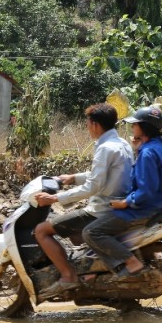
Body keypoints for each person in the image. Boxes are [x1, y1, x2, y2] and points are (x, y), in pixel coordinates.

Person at [35, 102, 133, 299]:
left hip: (102, 209)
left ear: (95, 124)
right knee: (75, 235)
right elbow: (103, 174)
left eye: (88, 124)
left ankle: (68, 276)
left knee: (42, 230)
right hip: (117, 204)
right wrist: (73, 177)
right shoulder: (121, 144)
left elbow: (93, 187)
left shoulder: (105, 148)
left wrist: (55, 198)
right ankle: (88, 274)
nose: (87, 128)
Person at [83, 106, 162, 279]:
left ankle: (128, 264)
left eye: (135, 125)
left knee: (91, 232)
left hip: (144, 209)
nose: (132, 128)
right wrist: (137, 149)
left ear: (144, 127)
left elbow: (146, 190)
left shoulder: (148, 152)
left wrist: (126, 202)